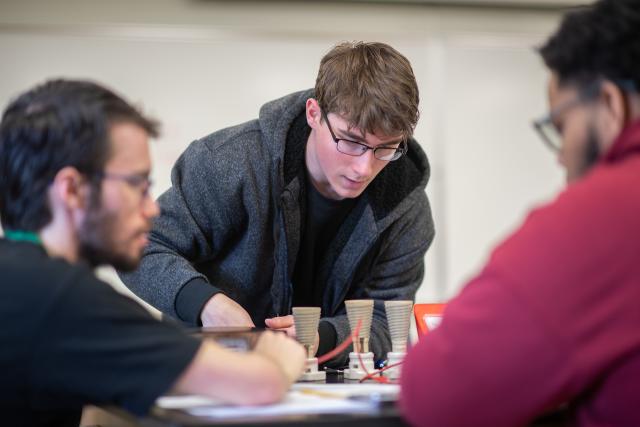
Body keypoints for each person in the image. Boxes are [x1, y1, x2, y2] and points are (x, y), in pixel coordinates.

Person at [0, 79, 306, 427]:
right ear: (72, 189)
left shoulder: (19, 285)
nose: (151, 209)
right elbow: (258, 384)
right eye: (137, 185)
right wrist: (276, 353)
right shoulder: (61, 300)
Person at [119, 41, 435, 365]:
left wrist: (322, 336)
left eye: (386, 148)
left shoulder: (405, 207)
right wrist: (206, 303)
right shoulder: (231, 163)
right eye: (350, 141)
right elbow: (141, 246)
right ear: (314, 113)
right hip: (211, 370)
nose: (363, 168)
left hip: (325, 388)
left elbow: (386, 321)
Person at [400, 1, 640, 426]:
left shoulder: (602, 218)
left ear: (609, 103)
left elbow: (438, 392)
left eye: (562, 127)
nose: (562, 157)